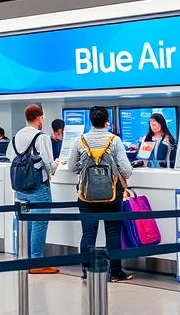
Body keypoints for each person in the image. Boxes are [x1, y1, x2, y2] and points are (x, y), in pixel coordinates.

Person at [68, 106, 134, 282]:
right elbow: (126, 171)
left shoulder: (80, 141)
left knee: (88, 233)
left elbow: (72, 167)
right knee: (113, 233)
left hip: (86, 195)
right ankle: (115, 272)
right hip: (111, 195)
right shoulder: (115, 141)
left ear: (91, 121)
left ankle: (87, 271)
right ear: (107, 122)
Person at [12, 104, 61, 274]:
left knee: (27, 223)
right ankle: (37, 262)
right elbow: (48, 164)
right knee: (40, 224)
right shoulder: (41, 137)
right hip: (39, 187)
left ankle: (26, 259)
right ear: (40, 117)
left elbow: (12, 158)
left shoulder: (17, 136)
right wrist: (55, 166)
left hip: (20, 187)